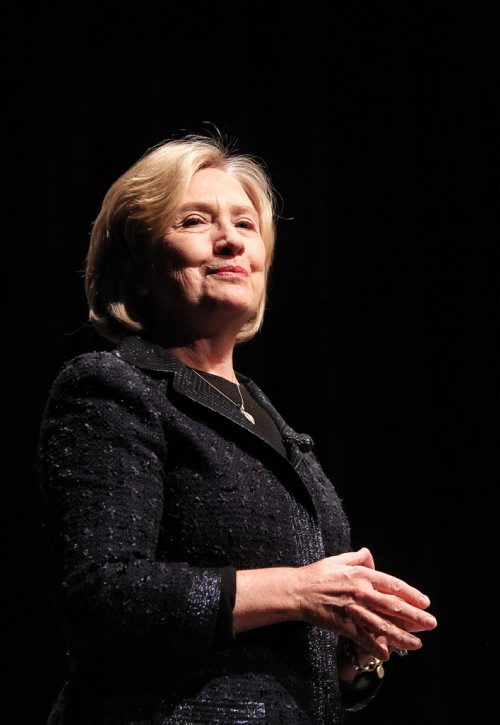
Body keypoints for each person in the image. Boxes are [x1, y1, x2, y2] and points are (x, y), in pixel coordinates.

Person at [37, 132, 437, 725]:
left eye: (246, 225)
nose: (230, 240)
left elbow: (294, 660)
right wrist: (299, 592)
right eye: (196, 221)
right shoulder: (113, 388)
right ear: (140, 264)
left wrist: (356, 654)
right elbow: (103, 597)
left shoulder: (270, 420)